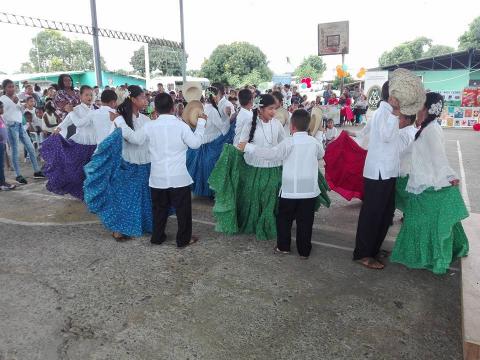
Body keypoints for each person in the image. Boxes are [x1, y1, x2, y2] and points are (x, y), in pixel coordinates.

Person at [112, 93, 207, 247]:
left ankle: (157, 237)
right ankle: (183, 240)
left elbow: (135, 139)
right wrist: (201, 124)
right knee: (183, 211)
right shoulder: (181, 126)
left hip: (157, 177)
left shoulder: (150, 125)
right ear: (173, 107)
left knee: (159, 209)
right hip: (179, 177)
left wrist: (119, 121)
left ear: (155, 108)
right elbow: (195, 143)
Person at [353, 69, 425, 270]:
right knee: (372, 215)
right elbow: (385, 136)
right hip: (378, 173)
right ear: (393, 97)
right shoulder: (383, 113)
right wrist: (395, 114)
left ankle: (374, 249)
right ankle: (363, 253)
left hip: (387, 171)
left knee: (385, 215)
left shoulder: (388, 113)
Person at [391, 92, 469, 274]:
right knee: (419, 221)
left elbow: (438, 158)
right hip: (421, 182)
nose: (417, 109)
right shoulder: (426, 128)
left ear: (425, 109)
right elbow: (409, 153)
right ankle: (424, 255)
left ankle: (428, 257)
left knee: (419, 222)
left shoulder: (432, 129)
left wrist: (450, 177)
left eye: (420, 105)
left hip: (426, 185)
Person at [237, 109, 329, 258]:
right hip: (309, 191)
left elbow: (271, 155)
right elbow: (321, 154)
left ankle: (283, 246)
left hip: (290, 190)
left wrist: (248, 147)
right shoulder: (314, 143)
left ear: (292, 126)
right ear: (308, 126)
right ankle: (304, 251)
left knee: (284, 219)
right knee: (305, 222)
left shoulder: (288, 142)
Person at [209, 94, 286, 240]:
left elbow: (284, 143)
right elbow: (241, 145)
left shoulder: (276, 124)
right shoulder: (250, 123)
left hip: (273, 169)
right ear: (261, 109)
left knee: (270, 199)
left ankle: (267, 224)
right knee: (254, 200)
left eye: (275, 109)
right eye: (270, 109)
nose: (274, 112)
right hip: (253, 169)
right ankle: (255, 224)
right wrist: (251, 149)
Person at [85, 85, 151, 240]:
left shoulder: (144, 118)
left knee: (142, 197)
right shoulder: (119, 119)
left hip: (145, 162)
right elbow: (130, 140)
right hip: (127, 163)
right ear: (133, 99)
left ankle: (142, 224)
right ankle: (118, 229)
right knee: (125, 198)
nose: (146, 100)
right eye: (142, 97)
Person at [40, 85, 96, 200]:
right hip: (80, 143)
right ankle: (82, 192)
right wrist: (58, 129)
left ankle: (91, 192)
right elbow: (67, 122)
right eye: (86, 95)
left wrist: (71, 112)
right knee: (77, 170)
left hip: (94, 144)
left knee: (92, 170)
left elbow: (81, 122)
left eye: (91, 94)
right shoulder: (76, 109)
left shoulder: (94, 109)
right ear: (80, 96)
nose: (89, 97)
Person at [186, 86, 231, 197]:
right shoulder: (212, 110)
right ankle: (211, 191)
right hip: (212, 142)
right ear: (215, 97)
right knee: (211, 166)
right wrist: (230, 119)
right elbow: (222, 128)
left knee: (200, 166)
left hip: (201, 140)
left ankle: (201, 190)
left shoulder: (200, 108)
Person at [0, 79, 44, 184]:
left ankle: (37, 171)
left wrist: (19, 104)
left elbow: (21, 110)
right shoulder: (2, 99)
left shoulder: (16, 98)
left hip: (20, 125)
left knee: (31, 148)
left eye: (13, 86)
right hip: (11, 126)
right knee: (15, 151)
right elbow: (3, 113)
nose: (11, 88)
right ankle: (18, 175)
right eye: (9, 87)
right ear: (4, 88)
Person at [54, 74, 80, 138]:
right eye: (65, 80)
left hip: (80, 117)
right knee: (71, 138)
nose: (69, 81)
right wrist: (78, 106)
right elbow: (66, 107)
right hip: (68, 119)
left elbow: (83, 104)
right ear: (61, 82)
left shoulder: (77, 92)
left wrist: (76, 106)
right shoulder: (59, 93)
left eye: (70, 80)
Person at [0, 101, 16, 191]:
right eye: (1, 107)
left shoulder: (1, 117)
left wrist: (7, 141)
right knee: (1, 165)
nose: (3, 109)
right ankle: (2, 183)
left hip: (2, 143)